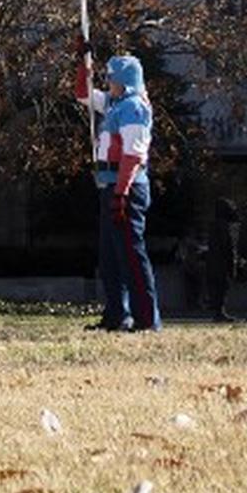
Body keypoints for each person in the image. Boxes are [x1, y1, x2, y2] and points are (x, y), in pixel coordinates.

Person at [75, 50, 161, 331]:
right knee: (111, 256)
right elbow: (83, 95)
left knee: (131, 255)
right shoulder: (115, 103)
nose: (107, 83)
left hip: (127, 188)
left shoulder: (133, 107)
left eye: (112, 79)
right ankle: (117, 315)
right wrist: (82, 64)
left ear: (125, 81)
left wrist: (121, 193)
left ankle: (147, 319)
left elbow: (133, 155)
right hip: (111, 185)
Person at [205, 197, 239, 322]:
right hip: (221, 262)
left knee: (216, 287)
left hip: (213, 261)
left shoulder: (213, 225)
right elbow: (228, 247)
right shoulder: (224, 227)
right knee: (222, 287)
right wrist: (233, 264)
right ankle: (220, 312)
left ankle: (218, 311)